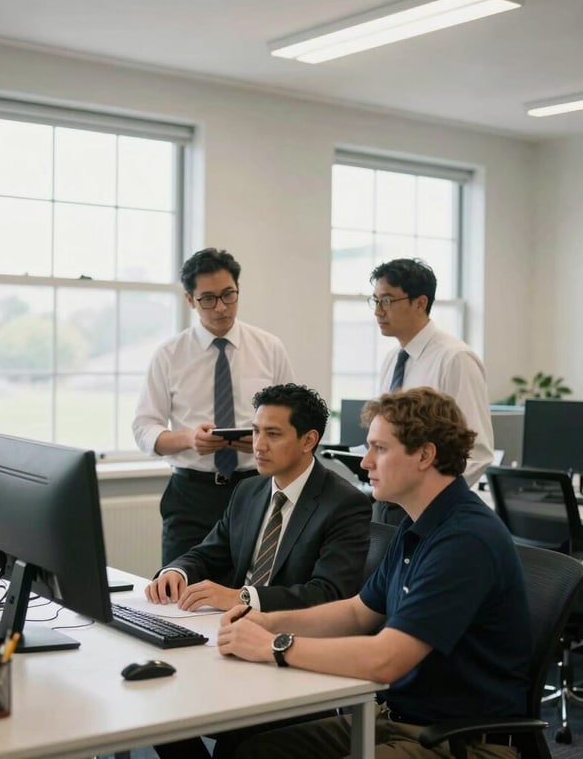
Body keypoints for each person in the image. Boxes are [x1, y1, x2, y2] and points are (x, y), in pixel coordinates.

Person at [216, 387, 531, 759]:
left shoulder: (464, 540)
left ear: (425, 455)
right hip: (396, 718)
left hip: (461, 740)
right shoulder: (420, 524)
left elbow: (386, 659)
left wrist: (274, 646)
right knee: (253, 749)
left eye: (379, 448)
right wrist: (266, 621)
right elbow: (356, 612)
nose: (364, 463)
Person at [145, 383, 372, 613]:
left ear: (308, 441)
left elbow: (327, 594)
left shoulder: (344, 504)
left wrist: (243, 597)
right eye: (255, 431)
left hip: (291, 632)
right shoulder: (248, 490)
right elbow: (208, 554)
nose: (258, 445)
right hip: (231, 623)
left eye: (273, 434)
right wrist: (177, 571)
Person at [133, 248, 294, 563]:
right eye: (208, 298)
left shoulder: (269, 348)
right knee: (178, 591)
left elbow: (293, 419)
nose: (221, 307)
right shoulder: (169, 354)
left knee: (251, 593)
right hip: (191, 495)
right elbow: (143, 428)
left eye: (228, 295)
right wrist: (189, 439)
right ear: (190, 300)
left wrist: (266, 439)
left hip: (257, 488)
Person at [369, 258, 494, 523]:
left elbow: (477, 451)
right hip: (391, 503)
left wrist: (431, 505)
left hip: (429, 508)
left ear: (420, 303)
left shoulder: (455, 358)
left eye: (388, 300)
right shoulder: (393, 359)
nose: (378, 311)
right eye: (376, 300)